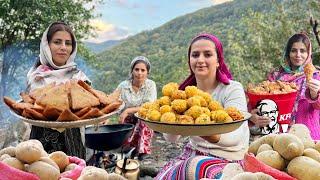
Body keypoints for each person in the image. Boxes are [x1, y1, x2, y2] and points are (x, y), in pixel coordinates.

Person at [155, 33, 249, 179]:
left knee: (192, 167)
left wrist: (203, 130)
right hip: (192, 153)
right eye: (195, 55)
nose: (200, 60)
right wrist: (172, 115)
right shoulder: (184, 94)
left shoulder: (232, 89)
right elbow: (171, 138)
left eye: (207, 54)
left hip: (228, 160)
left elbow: (235, 135)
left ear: (218, 60)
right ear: (189, 60)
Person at [26, 21, 90, 159]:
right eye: (57, 42)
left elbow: (90, 107)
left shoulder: (79, 77)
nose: (63, 48)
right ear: (46, 45)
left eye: (68, 43)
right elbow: (31, 109)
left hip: (73, 142)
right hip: (40, 143)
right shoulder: (37, 76)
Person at [249, 33, 320, 140]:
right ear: (287, 53)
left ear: (308, 53)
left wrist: (315, 94)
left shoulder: (316, 76)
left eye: (303, 51)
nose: (298, 55)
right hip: (277, 135)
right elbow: (260, 102)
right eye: (293, 50)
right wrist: (253, 116)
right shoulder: (275, 76)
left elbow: (317, 106)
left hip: (306, 134)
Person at [117, 56, 157, 160]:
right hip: (128, 119)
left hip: (143, 117)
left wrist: (128, 110)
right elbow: (116, 103)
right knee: (126, 121)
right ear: (132, 71)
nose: (139, 73)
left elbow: (149, 106)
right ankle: (129, 147)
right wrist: (106, 116)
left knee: (144, 119)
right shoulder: (123, 86)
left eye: (143, 70)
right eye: (137, 69)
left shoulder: (151, 85)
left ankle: (143, 151)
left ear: (147, 72)